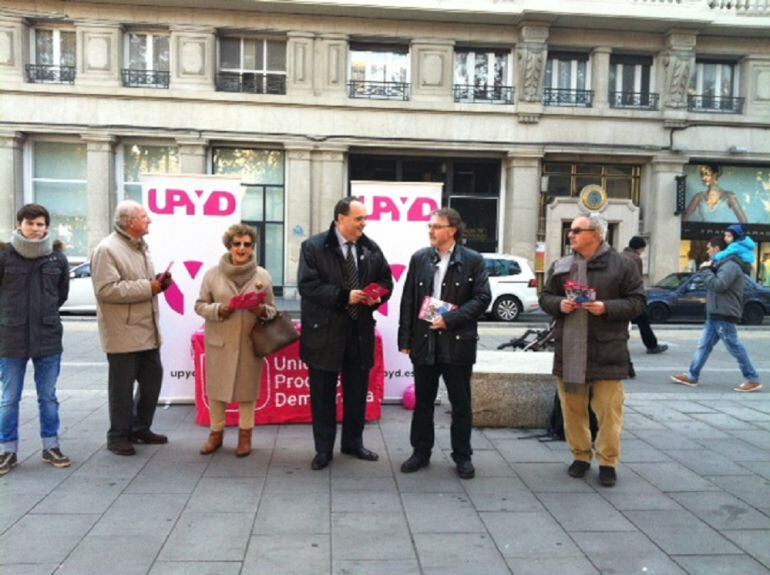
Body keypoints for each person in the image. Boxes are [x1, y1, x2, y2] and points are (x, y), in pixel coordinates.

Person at [539, 213, 645, 487]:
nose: (570, 235)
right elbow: (545, 297)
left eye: (576, 230)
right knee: (572, 409)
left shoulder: (623, 265)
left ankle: (608, 461)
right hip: (570, 349)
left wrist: (606, 308)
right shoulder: (562, 265)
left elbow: (638, 302)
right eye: (571, 230)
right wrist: (558, 304)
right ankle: (581, 456)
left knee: (609, 412)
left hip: (607, 351)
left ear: (595, 234)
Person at [298, 197, 393, 470]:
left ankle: (353, 443)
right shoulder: (313, 247)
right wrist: (344, 296)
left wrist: (378, 296)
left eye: (365, 218)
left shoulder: (370, 248)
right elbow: (308, 286)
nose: (364, 223)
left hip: (359, 332)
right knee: (323, 394)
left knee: (356, 391)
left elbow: (386, 280)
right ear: (341, 219)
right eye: (359, 218)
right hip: (325, 333)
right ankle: (323, 449)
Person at [398, 208, 491, 480]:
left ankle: (462, 456)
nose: (431, 231)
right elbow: (409, 300)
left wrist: (450, 319)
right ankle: (420, 452)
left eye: (436, 226)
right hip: (425, 340)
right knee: (424, 402)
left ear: (452, 230)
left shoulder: (473, 260)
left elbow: (482, 298)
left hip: (457, 341)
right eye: (429, 226)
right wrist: (406, 339)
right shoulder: (420, 258)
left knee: (460, 404)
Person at [91, 200, 173, 456]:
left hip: (147, 329)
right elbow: (105, 290)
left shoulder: (141, 247)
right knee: (122, 388)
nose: (149, 220)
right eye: (144, 217)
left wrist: (159, 282)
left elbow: (140, 282)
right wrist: (149, 287)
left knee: (152, 381)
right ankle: (117, 436)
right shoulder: (107, 249)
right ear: (129, 222)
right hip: (123, 331)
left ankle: (140, 427)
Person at [0, 204, 71, 476]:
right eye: (30, 223)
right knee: (9, 399)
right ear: (19, 225)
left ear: (47, 228)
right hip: (11, 338)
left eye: (40, 224)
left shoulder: (57, 260)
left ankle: (51, 447)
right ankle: (7, 450)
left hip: (48, 337)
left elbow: (60, 295)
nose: (35, 228)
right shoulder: (5, 258)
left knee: (48, 397)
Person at [195, 224, 277, 457]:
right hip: (220, 342)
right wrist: (220, 309)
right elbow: (199, 305)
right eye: (236, 244)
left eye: (247, 245)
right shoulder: (212, 274)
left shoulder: (263, 275)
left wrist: (261, 309)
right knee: (217, 391)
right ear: (229, 246)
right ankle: (216, 434)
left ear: (253, 248)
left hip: (250, 343)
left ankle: (245, 435)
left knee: (247, 392)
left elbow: (272, 309)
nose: (241, 249)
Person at [672, 235, 762, 392]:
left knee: (734, 346)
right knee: (704, 346)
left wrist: (706, 271)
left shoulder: (731, 266)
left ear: (717, 249)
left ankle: (752, 378)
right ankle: (692, 376)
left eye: (709, 248)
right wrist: (709, 270)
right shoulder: (720, 265)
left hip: (724, 313)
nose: (707, 251)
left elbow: (719, 285)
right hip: (716, 313)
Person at [621, 236, 667, 379]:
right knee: (642, 321)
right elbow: (637, 280)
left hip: (620, 297)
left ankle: (650, 345)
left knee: (627, 325)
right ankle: (651, 346)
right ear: (639, 248)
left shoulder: (620, 255)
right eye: (642, 249)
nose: (643, 252)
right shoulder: (635, 259)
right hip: (631, 297)